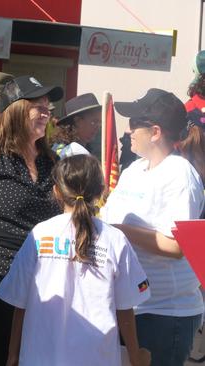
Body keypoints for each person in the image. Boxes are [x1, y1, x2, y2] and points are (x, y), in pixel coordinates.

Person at [0, 154, 151, 366]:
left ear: (56, 192)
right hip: (98, 357)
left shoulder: (40, 234)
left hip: (39, 357)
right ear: (101, 191)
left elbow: (19, 303)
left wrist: (13, 355)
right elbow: (125, 307)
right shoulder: (115, 238)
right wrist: (134, 355)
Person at [0, 75, 64, 366]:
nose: (46, 112)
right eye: (37, 105)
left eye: (47, 106)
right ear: (16, 109)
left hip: (42, 292)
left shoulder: (53, 163)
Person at [101, 88, 205, 366]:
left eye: (134, 123)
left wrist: (119, 230)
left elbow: (176, 246)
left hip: (165, 313)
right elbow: (108, 216)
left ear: (156, 132)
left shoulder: (180, 175)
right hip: (130, 305)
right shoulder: (135, 169)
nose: (128, 129)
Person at [50, 93, 101, 158]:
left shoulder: (58, 146)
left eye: (100, 122)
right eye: (94, 122)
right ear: (78, 121)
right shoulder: (76, 152)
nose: (98, 127)